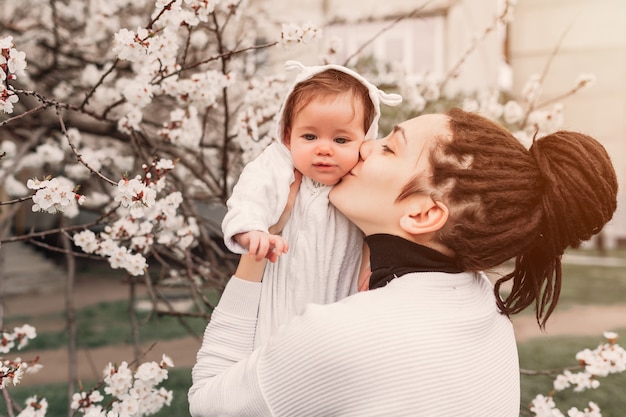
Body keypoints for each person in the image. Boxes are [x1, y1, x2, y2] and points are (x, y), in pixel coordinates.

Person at [189, 108, 618, 416]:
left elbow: (208, 402)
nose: (364, 147)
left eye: (390, 149)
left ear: (423, 214)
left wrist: (258, 250)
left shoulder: (344, 335)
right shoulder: (485, 313)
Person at [221, 60, 401, 346]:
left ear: (365, 141)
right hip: (279, 305)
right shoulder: (277, 166)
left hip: (339, 300)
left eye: (341, 139)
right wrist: (253, 230)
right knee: (274, 348)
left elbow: (381, 224)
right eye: (309, 136)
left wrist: (372, 261)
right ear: (287, 135)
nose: (324, 149)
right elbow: (250, 196)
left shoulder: (360, 181)